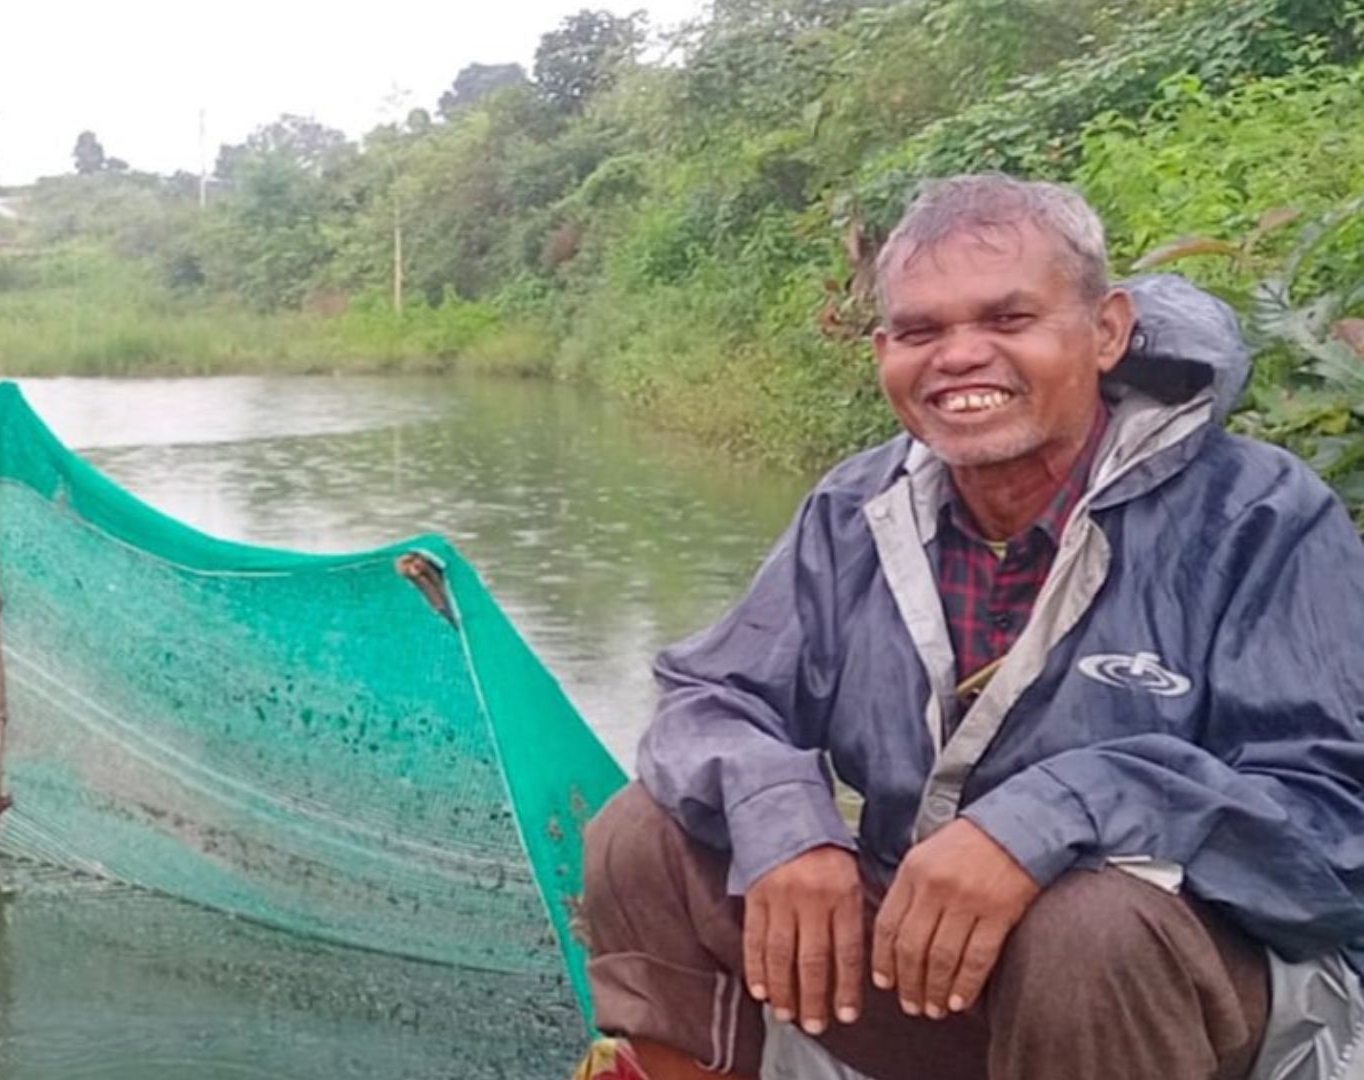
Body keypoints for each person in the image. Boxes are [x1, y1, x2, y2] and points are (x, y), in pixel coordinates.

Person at [574, 174, 1364, 1080]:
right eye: (921, 331)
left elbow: (1332, 821)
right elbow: (709, 699)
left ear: (1104, 331)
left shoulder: (1258, 513)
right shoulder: (856, 508)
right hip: (938, 967)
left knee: (1087, 930)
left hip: (1195, 994)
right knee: (647, 835)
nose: (960, 357)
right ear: (884, 351)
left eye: (1008, 320)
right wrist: (783, 817)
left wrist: (1054, 812)